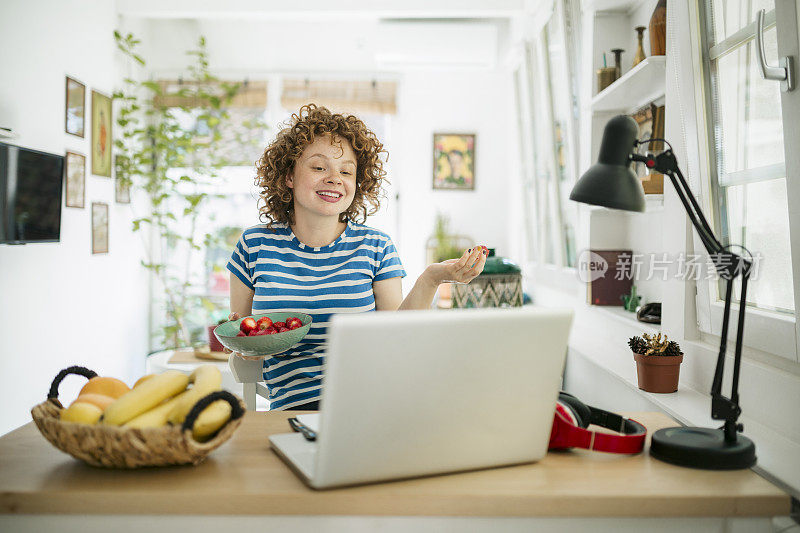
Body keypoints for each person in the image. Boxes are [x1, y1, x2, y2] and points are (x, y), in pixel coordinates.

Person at [226, 104, 487, 410]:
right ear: (288, 177)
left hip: (373, 404)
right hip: (294, 412)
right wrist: (248, 348)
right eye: (319, 167)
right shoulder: (255, 245)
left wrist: (431, 278)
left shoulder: (376, 247)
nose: (335, 178)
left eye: (346, 171)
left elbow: (396, 339)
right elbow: (246, 335)